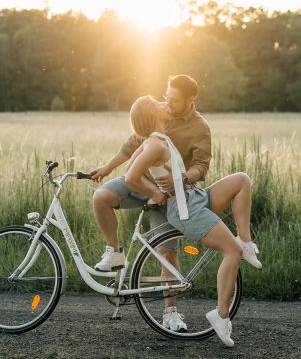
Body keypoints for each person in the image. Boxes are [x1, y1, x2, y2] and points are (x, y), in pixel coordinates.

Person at [123, 95, 260, 347]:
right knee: (232, 252)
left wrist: (169, 180)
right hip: (186, 210)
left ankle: (246, 239)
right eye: (159, 104)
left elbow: (136, 166)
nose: (165, 104)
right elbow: (130, 176)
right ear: (153, 115)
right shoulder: (154, 144)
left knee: (241, 180)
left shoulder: (157, 140)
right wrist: (155, 192)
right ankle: (220, 315)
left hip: (194, 196)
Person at [90, 75, 214, 332]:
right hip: (139, 183)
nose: (167, 103)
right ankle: (114, 252)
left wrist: (179, 178)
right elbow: (130, 147)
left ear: (191, 100)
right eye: (165, 97)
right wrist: (106, 167)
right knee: (102, 197)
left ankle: (171, 313)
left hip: (167, 193)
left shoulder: (200, 128)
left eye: (174, 100)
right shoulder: (157, 115)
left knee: (168, 253)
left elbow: (201, 167)